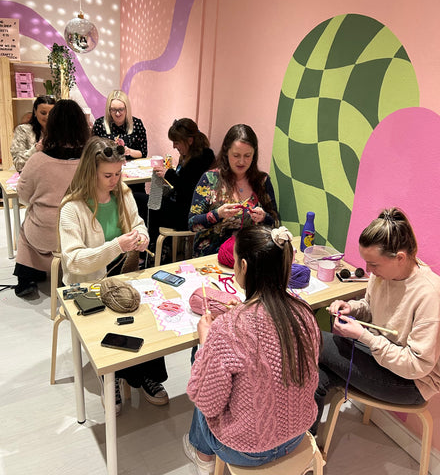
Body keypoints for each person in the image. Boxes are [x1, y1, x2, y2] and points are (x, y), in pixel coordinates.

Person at [184, 225, 321, 474]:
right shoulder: (304, 313)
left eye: (235, 261)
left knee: (201, 373)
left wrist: (205, 342)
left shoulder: (228, 328)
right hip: (296, 435)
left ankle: (203, 459)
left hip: (245, 449)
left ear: (244, 267)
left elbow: (206, 402)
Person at [59, 136, 169, 412]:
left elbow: (139, 224)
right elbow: (74, 262)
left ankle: (143, 374)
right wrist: (116, 245)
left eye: (118, 173)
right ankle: (115, 375)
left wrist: (141, 237)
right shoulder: (72, 208)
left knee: (149, 312)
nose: (114, 180)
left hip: (123, 274)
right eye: (107, 175)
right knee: (117, 316)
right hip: (87, 285)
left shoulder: (123, 194)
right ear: (90, 172)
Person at [311, 207, 440, 435]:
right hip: (381, 359)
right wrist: (352, 308)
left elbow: (417, 366)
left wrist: (364, 336)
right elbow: (372, 308)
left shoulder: (429, 294)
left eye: (374, 265)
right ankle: (305, 453)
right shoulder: (384, 276)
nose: (368, 270)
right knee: (315, 377)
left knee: (312, 336)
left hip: (413, 383)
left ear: (400, 258)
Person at [13, 99, 90, 298]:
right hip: (82, 233)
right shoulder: (91, 160)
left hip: (45, 235)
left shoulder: (38, 160)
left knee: (26, 228)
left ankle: (26, 278)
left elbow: (23, 196)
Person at [188, 124, 279, 257]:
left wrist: (264, 217)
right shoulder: (210, 179)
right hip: (211, 257)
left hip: (248, 256)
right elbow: (192, 224)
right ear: (226, 152)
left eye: (247, 155)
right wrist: (217, 214)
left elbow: (276, 223)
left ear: (254, 155)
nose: (241, 161)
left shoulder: (262, 181)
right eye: (236, 155)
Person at [148, 118, 215, 246]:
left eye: (176, 142)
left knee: (148, 205)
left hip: (186, 215)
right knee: (146, 201)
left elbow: (186, 186)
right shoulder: (193, 155)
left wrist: (167, 174)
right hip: (181, 207)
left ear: (189, 141)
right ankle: (156, 248)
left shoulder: (201, 158)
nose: (174, 146)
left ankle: (155, 249)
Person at [10, 95, 56, 172]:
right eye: (43, 113)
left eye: (52, 113)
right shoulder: (23, 130)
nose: (48, 117)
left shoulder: (60, 132)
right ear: (35, 112)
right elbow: (19, 164)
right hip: (30, 177)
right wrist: (36, 149)